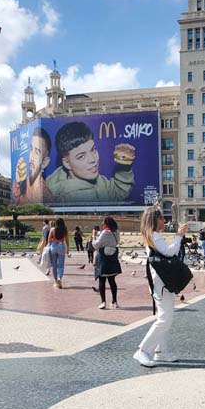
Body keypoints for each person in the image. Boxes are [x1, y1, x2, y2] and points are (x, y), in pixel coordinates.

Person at [133, 207, 188, 367]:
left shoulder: (152, 236)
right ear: (154, 220)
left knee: (163, 317)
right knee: (165, 318)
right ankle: (143, 350)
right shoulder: (155, 237)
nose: (164, 221)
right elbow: (170, 252)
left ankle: (160, 351)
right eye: (162, 218)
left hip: (160, 283)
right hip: (162, 283)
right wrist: (178, 236)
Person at [46, 121, 135, 204]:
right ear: (66, 163)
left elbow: (117, 193)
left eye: (93, 150)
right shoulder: (68, 198)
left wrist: (124, 166)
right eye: (81, 156)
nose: (92, 159)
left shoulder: (100, 182)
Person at [12, 127, 53, 205]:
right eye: (30, 149)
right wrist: (17, 182)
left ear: (44, 162)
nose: (31, 157)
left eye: (37, 152)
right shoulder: (22, 184)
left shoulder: (46, 196)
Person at [93, 217, 121, 309]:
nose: (102, 224)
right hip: (113, 258)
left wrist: (94, 236)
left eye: (103, 223)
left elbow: (96, 245)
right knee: (112, 280)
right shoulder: (116, 232)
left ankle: (103, 302)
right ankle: (114, 302)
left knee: (102, 280)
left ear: (106, 223)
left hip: (103, 258)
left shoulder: (105, 232)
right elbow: (117, 242)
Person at [47, 217, 70, 288]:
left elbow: (49, 240)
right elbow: (67, 240)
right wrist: (67, 249)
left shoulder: (52, 229)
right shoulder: (65, 230)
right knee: (61, 265)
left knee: (54, 265)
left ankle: (56, 281)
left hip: (53, 246)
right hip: (61, 246)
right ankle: (60, 278)